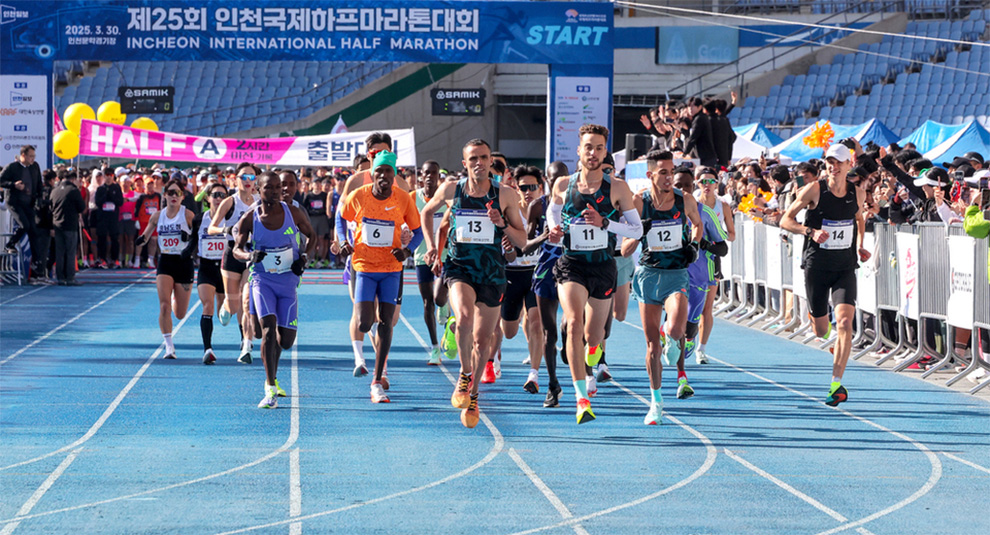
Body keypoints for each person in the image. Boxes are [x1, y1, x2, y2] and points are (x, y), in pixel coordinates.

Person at [421, 139, 528, 428]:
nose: (479, 163)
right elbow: (426, 212)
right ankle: (465, 374)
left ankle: (475, 395)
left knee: (484, 339)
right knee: (464, 318)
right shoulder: (451, 189)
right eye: (473, 159)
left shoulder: (504, 195)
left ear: (491, 160)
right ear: (464, 162)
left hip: (492, 273)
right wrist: (433, 247)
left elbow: (522, 241)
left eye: (484, 158)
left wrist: (502, 224)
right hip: (460, 268)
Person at [547, 124, 642, 424]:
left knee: (594, 334)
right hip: (572, 264)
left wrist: (605, 223)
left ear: (605, 152)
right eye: (588, 147)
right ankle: (580, 399)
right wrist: (554, 229)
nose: (593, 153)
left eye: (599, 148)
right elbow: (553, 209)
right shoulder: (563, 184)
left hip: (603, 266)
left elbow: (636, 229)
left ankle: (592, 350)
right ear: (579, 150)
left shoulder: (617, 188)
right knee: (574, 323)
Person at [780, 143, 871, 406]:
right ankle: (824, 329)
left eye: (839, 162)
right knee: (821, 330)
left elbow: (859, 219)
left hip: (844, 267)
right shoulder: (815, 189)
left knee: (844, 323)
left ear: (848, 164)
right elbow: (786, 220)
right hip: (816, 267)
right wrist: (810, 232)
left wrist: (860, 244)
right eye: (830, 161)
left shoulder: (858, 193)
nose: (834, 166)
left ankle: (835, 385)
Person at [620, 153, 703, 425]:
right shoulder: (638, 202)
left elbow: (698, 225)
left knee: (677, 329)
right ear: (650, 175)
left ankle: (672, 338)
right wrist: (638, 232)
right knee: (652, 346)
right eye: (663, 172)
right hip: (647, 275)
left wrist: (693, 244)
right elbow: (624, 249)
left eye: (671, 171)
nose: (669, 177)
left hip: (676, 274)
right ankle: (656, 402)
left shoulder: (684, 199)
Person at [339, 151, 423, 403]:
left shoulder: (403, 199)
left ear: (394, 175)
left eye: (388, 171)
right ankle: (369, 338)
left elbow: (418, 231)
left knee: (386, 322)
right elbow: (340, 220)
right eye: (379, 171)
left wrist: (407, 250)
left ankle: (377, 381)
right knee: (365, 324)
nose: (384, 176)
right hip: (364, 266)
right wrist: (343, 240)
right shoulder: (359, 195)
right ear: (372, 174)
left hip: (391, 270)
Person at [233, 172, 315, 409]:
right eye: (269, 188)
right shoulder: (250, 219)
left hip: (288, 283)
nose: (277, 191)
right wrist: (249, 256)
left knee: (286, 340)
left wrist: (305, 258)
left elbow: (313, 236)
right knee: (268, 330)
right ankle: (270, 388)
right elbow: (236, 249)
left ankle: (272, 368)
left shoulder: (294, 212)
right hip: (262, 280)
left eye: (278, 187)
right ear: (258, 190)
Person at [673, 167, 728, 399]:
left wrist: (704, 245)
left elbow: (723, 248)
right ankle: (680, 378)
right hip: (672, 275)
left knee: (690, 327)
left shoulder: (706, 213)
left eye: (686, 186)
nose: (683, 190)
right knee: (672, 321)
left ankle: (689, 344)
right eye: (679, 186)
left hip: (699, 278)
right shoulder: (663, 211)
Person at [489, 165, 545, 390]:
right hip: (511, 274)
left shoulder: (547, 211)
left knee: (537, 321)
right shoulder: (510, 212)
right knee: (508, 331)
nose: (528, 191)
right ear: (516, 189)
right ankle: (496, 352)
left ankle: (534, 375)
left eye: (533, 187)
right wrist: (508, 248)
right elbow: (507, 249)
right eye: (523, 188)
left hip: (536, 274)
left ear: (541, 188)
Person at [135, 179, 197, 360]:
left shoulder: (188, 215)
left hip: (184, 262)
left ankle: (172, 295)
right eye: (170, 192)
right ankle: (169, 346)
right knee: (164, 306)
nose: (173, 196)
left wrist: (189, 240)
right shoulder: (157, 216)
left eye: (177, 193)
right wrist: (141, 240)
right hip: (166, 262)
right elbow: (145, 235)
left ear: (182, 196)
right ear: (165, 195)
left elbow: (199, 236)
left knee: (180, 313)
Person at [527, 161, 569, 407]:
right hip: (545, 270)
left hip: (572, 267)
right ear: (546, 179)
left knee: (570, 325)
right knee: (548, 332)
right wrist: (543, 235)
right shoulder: (537, 206)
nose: (558, 184)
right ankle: (553, 385)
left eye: (562, 178)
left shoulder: (577, 201)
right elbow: (526, 243)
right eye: (553, 179)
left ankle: (568, 333)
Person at [208, 166, 260, 363]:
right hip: (231, 254)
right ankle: (226, 307)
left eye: (252, 177)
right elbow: (211, 227)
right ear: (236, 179)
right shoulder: (230, 202)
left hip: (251, 254)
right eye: (243, 177)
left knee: (247, 302)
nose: (248, 180)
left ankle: (246, 346)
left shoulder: (259, 202)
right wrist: (225, 230)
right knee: (234, 304)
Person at [410, 160, 449, 365]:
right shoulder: (412, 198)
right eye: (426, 173)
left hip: (444, 254)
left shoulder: (445, 197)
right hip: (421, 256)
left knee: (439, 298)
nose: (430, 177)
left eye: (434, 173)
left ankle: (445, 304)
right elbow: (403, 220)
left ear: (438, 176)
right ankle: (435, 347)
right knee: (427, 302)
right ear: (421, 176)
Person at [0, 145, 47, 282]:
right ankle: (10, 245)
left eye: (34, 156)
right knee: (24, 225)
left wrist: (39, 197)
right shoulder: (12, 167)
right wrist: (13, 184)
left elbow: (38, 183)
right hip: (15, 202)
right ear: (23, 155)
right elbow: (1, 180)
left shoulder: (35, 166)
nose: (33, 159)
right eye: (30, 156)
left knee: (34, 233)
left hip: (29, 203)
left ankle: (36, 269)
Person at [195, 182, 229, 364]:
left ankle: (244, 342)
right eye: (215, 195)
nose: (218, 199)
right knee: (207, 304)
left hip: (226, 269)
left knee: (225, 313)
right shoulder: (200, 219)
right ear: (208, 198)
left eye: (222, 195)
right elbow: (193, 240)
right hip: (206, 267)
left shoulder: (231, 218)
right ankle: (207, 349)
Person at [49, 170, 86, 286]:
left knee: (60, 252)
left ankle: (60, 277)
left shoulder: (54, 191)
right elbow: (81, 207)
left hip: (57, 224)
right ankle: (70, 277)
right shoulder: (74, 191)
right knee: (70, 252)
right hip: (70, 224)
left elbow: (50, 207)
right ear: (73, 179)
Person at [94, 168, 124, 269]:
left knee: (114, 238)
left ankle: (114, 259)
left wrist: (111, 196)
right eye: (106, 175)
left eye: (110, 175)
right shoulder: (100, 189)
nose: (108, 177)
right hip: (103, 217)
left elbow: (120, 202)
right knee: (101, 238)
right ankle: (102, 258)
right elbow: (97, 202)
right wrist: (105, 196)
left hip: (113, 217)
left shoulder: (116, 187)